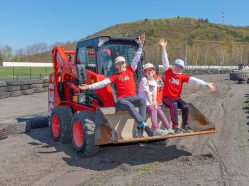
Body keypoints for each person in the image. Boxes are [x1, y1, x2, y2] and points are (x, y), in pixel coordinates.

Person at [79, 34, 154, 137]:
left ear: (125, 63)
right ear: (116, 66)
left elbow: (136, 58)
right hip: (121, 100)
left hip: (132, 97)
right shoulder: (114, 76)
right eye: (119, 64)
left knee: (142, 101)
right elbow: (103, 83)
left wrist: (140, 46)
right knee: (128, 105)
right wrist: (89, 86)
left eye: (122, 63)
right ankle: (143, 125)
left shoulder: (130, 70)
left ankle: (140, 125)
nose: (121, 65)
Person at [159, 38, 216, 134]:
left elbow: (194, 80)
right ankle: (175, 127)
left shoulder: (182, 77)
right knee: (174, 104)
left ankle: (185, 126)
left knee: (186, 106)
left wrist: (206, 84)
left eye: (180, 67)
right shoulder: (168, 72)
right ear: (173, 66)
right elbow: (165, 60)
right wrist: (164, 48)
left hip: (177, 98)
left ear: (182, 69)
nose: (178, 68)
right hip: (166, 98)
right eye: (177, 66)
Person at [138, 63, 175, 136]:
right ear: (144, 72)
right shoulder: (144, 80)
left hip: (150, 102)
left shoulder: (154, 82)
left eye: (151, 70)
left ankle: (168, 127)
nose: (149, 71)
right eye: (147, 70)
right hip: (143, 102)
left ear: (154, 71)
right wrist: (152, 103)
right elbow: (147, 93)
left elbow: (154, 94)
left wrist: (155, 102)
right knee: (153, 109)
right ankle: (156, 129)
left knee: (159, 110)